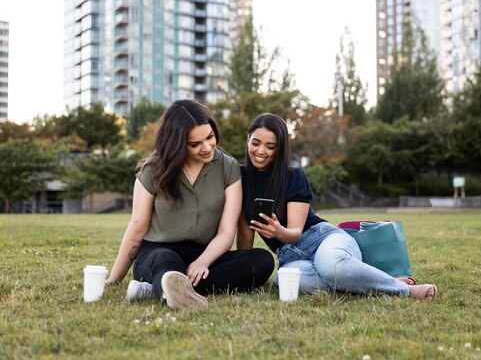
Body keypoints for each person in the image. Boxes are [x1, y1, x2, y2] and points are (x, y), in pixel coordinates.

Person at [237, 113, 437, 299]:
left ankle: (403, 288)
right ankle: (364, 280)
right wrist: (244, 270)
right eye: (256, 143)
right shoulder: (241, 179)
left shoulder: (292, 176)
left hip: (323, 238)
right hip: (290, 256)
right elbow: (245, 233)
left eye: (270, 146)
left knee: (332, 266)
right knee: (284, 280)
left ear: (279, 148)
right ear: (248, 139)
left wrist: (278, 231)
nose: (261, 151)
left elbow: (296, 233)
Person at [107, 99, 274, 309]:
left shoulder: (228, 167)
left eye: (210, 137)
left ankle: (160, 289)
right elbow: (137, 228)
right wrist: (114, 279)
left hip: (206, 255)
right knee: (166, 262)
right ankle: (169, 283)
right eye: (194, 144)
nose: (206, 147)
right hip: (158, 252)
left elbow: (226, 232)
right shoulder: (152, 170)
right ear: (176, 144)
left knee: (261, 260)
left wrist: (203, 262)